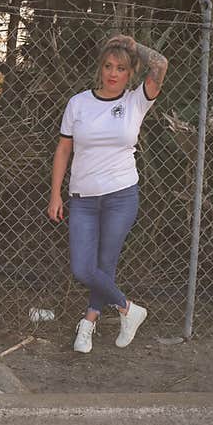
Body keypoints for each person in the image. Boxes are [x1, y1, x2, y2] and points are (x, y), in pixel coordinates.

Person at [47, 34, 168, 353]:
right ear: (100, 69)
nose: (114, 73)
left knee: (106, 263)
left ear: (130, 73)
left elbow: (161, 65)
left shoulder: (135, 100)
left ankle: (88, 322)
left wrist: (133, 45)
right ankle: (129, 309)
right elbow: (63, 150)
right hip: (83, 199)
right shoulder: (78, 103)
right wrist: (55, 194)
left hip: (121, 196)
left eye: (122, 68)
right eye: (108, 66)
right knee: (83, 268)